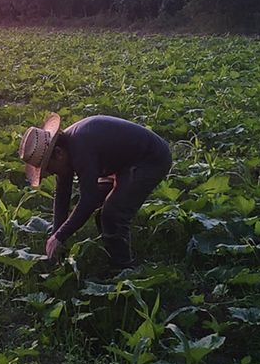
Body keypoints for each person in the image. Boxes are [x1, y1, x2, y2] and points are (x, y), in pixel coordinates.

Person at [19, 113, 172, 269]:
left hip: (150, 160)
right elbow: (62, 195)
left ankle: (125, 270)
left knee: (112, 214)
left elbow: (89, 199)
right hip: (123, 162)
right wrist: (56, 236)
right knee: (104, 212)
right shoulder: (66, 147)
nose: (50, 173)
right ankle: (112, 250)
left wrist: (61, 235)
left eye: (48, 168)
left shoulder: (81, 149)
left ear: (58, 153)